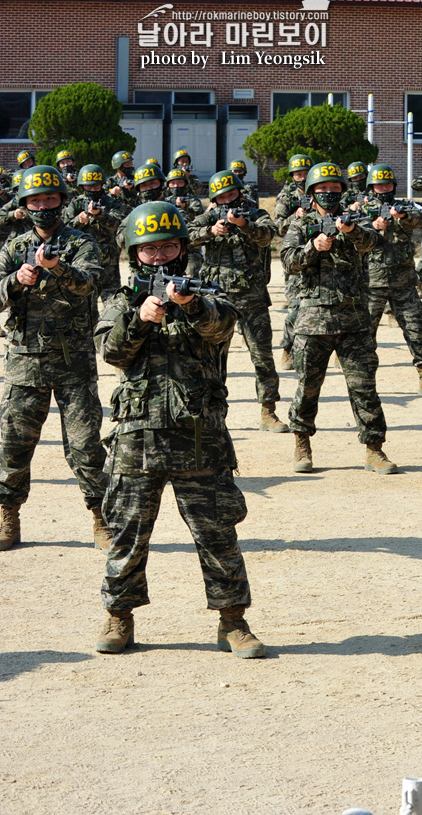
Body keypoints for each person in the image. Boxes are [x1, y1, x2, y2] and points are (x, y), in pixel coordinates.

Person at [94, 199, 265, 658]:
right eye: (149, 250)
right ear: (134, 253)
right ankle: (119, 617)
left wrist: (187, 305)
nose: (160, 257)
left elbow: (223, 329)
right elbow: (112, 353)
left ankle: (233, 621)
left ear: (184, 249)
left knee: (217, 534)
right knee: (127, 533)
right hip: (137, 438)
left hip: (200, 438)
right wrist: (139, 317)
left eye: (169, 247)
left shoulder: (207, 293)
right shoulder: (120, 300)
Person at [0, 165, 108, 553]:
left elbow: (87, 284)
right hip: (24, 362)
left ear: (61, 200)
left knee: (85, 447)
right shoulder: (12, 248)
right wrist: (16, 280)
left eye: (49, 198)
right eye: (34, 200)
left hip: (73, 362)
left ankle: (101, 518)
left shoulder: (81, 243)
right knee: (13, 446)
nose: (43, 205)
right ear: (24, 205)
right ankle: (7, 516)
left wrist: (55, 267)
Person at [280, 162, 398, 475]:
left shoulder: (354, 218)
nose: (330, 194)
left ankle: (374, 449)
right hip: (313, 322)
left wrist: (352, 230)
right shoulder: (300, 225)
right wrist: (312, 248)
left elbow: (372, 242)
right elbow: (289, 261)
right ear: (311, 193)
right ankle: (302, 443)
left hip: (354, 321)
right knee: (307, 386)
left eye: (335, 189)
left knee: (364, 388)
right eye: (323, 190)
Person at [189, 169, 287, 431]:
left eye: (232, 193)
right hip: (217, 300)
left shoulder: (255, 214)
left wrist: (245, 225)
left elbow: (269, 236)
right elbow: (185, 237)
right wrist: (210, 231)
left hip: (252, 297)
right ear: (214, 199)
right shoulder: (206, 217)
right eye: (222, 197)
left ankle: (268, 411)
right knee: (213, 358)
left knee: (262, 355)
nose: (228, 200)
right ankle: (214, 412)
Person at [360, 164, 422, 396]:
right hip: (372, 284)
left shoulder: (405, 207)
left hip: (404, 282)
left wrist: (404, 215)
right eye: (379, 185)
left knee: (417, 331)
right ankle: (365, 381)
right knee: (365, 335)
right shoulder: (361, 209)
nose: (383, 189)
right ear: (371, 187)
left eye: (387, 185)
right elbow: (351, 232)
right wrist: (372, 225)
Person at [64, 163, 127, 307]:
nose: (92, 189)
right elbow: (64, 230)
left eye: (96, 186)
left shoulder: (112, 203)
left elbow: (118, 226)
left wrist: (100, 215)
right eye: (89, 186)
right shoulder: (76, 204)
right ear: (82, 186)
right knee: (85, 308)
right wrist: (78, 221)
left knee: (113, 306)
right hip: (84, 262)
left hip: (109, 263)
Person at [272, 153, 314, 369]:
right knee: (296, 308)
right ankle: (287, 349)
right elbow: (277, 227)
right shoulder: (286, 197)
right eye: (298, 174)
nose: (302, 177)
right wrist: (294, 216)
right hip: (296, 259)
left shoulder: (322, 192)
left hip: (322, 257)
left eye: (306, 173)